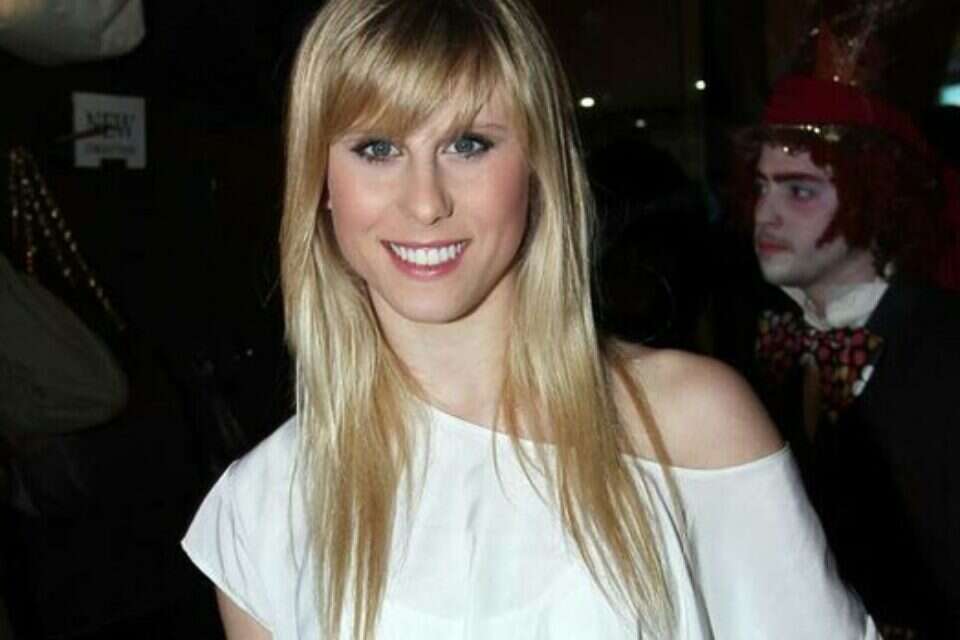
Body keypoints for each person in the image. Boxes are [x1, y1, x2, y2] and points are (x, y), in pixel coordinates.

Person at [182, 1, 879, 638]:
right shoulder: (263, 508)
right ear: (321, 183)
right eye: (378, 149)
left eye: (467, 144)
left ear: (537, 167)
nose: (424, 202)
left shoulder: (690, 427)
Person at [733, 11, 960, 638]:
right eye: (761, 187)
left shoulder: (946, 348)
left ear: (875, 197)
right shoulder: (751, 343)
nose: (766, 213)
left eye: (800, 190)